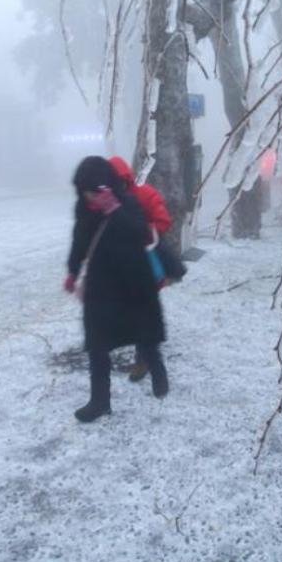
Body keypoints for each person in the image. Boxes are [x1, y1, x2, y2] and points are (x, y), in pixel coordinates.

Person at [63, 156, 169, 422]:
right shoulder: (84, 208)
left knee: (143, 335)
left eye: (91, 191)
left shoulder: (127, 203)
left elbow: (140, 234)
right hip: (100, 286)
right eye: (83, 191)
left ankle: (158, 371)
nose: (87, 197)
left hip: (132, 282)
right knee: (97, 344)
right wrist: (73, 270)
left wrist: (114, 209)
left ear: (105, 187)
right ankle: (100, 401)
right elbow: (79, 241)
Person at [106, 156, 184, 382]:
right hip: (120, 267)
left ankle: (144, 358)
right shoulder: (108, 202)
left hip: (145, 265)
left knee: (142, 312)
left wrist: (138, 234)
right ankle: (144, 352)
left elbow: (163, 221)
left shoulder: (145, 194)